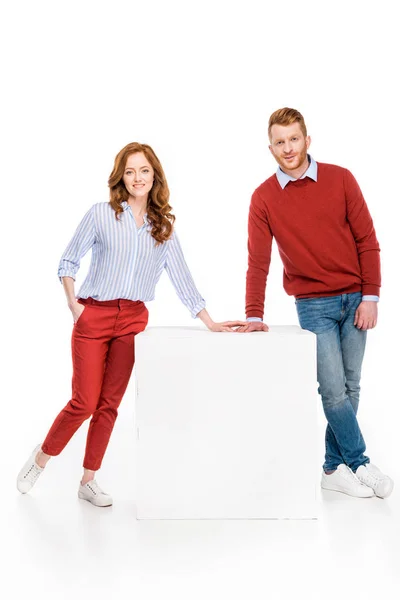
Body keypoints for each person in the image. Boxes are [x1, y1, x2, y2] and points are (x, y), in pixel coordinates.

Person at [17, 142, 246, 507]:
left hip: (133, 319)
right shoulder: (101, 214)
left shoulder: (163, 227)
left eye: (143, 170)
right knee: (84, 401)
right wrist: (74, 305)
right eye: (130, 171)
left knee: (109, 404)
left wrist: (210, 321)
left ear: (154, 174)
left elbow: (182, 278)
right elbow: (68, 260)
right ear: (120, 177)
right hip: (95, 314)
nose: (137, 178)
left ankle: (88, 480)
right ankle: (42, 458)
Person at [237, 107, 393, 499]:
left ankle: (330, 468)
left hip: (356, 298)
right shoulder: (264, 198)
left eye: (294, 139)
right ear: (270, 147)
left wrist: (371, 295)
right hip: (313, 305)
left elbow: (367, 241)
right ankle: (359, 462)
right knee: (332, 390)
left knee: (351, 386)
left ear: (307, 140)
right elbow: (258, 262)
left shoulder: (341, 179)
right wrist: (253, 314)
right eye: (279, 142)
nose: (287, 148)